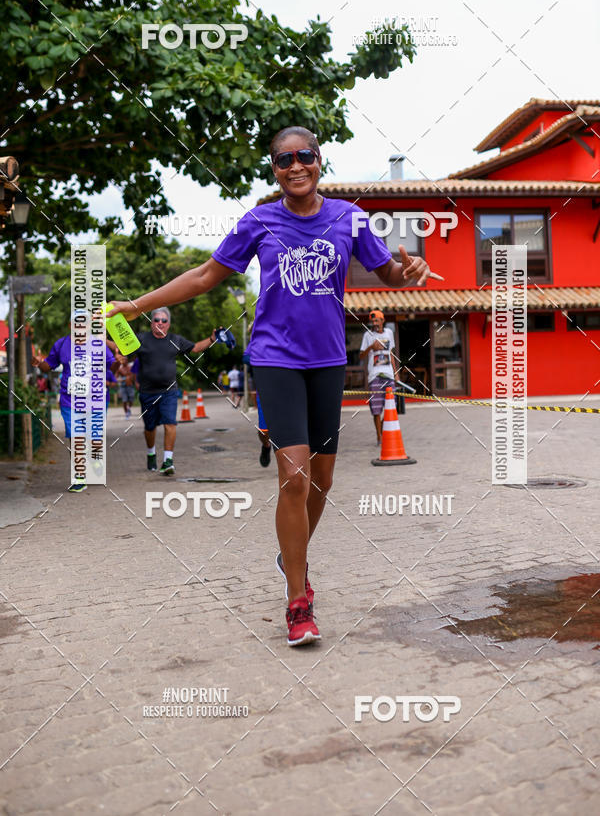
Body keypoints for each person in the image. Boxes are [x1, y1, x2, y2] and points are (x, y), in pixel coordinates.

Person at [108, 125, 430, 646]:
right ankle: (298, 600)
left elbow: (389, 273)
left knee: (323, 481)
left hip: (327, 362)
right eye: (284, 160)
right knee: (295, 477)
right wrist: (135, 305)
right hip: (276, 359)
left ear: (319, 161)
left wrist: (408, 268)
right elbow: (203, 276)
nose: (295, 166)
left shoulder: (349, 219)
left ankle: (291, 555)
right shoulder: (259, 221)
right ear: (274, 169)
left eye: (305, 156)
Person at [31, 313, 125, 492]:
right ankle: (79, 477)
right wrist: (38, 362)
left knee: (94, 437)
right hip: (70, 399)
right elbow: (48, 365)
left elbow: (111, 368)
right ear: (71, 325)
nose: (80, 326)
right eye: (77, 323)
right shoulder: (61, 344)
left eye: (84, 323)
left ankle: (94, 459)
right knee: (76, 438)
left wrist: (118, 363)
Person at [127, 307, 216, 475]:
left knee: (170, 423)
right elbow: (121, 348)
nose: (160, 323)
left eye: (164, 320)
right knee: (149, 428)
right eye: (156, 320)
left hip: (169, 391)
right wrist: (101, 339)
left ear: (168, 324)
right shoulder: (141, 339)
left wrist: (212, 339)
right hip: (147, 392)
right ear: (151, 322)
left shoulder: (175, 340)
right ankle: (151, 453)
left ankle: (168, 460)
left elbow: (196, 348)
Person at [360, 309, 400, 444]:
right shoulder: (368, 335)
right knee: (376, 408)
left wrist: (396, 374)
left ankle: (383, 430)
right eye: (372, 321)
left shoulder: (389, 333)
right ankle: (379, 437)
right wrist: (371, 347)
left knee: (391, 406)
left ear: (383, 321)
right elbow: (361, 356)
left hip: (389, 374)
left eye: (377, 320)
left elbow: (392, 354)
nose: (375, 323)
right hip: (375, 375)